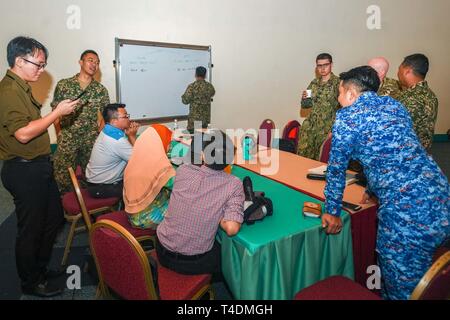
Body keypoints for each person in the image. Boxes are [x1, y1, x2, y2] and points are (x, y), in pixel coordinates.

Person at [321, 65, 449, 300]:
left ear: (350, 94)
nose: (338, 101)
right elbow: (394, 153)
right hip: (441, 194)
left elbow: (337, 170)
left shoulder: (347, 117)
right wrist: (372, 188)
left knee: (401, 290)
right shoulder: (394, 105)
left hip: (407, 215)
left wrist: (332, 211)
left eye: (340, 94)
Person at [0, 36, 79, 297]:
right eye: (39, 64)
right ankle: (30, 282)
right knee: (30, 229)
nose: (42, 70)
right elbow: (23, 134)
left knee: (54, 218)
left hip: (38, 167)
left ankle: (40, 269)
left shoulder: (21, 87)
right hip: (24, 170)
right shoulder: (9, 91)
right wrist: (57, 113)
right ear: (20, 61)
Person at [156, 130, 244, 275]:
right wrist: (219, 213)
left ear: (203, 154)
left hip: (161, 249)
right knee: (231, 259)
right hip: (193, 263)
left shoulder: (183, 170)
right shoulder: (233, 184)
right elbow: (231, 228)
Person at [51, 50, 110, 193]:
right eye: (90, 60)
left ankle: (88, 210)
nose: (94, 65)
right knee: (62, 177)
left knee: (90, 177)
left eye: (97, 63)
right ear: (81, 62)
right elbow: (55, 112)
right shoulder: (64, 85)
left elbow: (106, 116)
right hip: (67, 139)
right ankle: (64, 212)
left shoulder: (100, 90)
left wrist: (99, 135)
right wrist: (59, 134)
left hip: (90, 141)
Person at [123, 126, 176, 229]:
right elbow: (178, 187)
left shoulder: (134, 159)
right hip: (146, 218)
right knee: (183, 204)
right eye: (168, 142)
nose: (169, 147)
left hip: (131, 214)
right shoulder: (161, 166)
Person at [85, 104, 139, 198]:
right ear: (114, 121)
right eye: (125, 116)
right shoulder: (116, 140)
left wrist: (130, 136)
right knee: (144, 186)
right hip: (102, 188)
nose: (128, 119)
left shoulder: (107, 130)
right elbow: (138, 160)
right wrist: (132, 136)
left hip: (95, 183)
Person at [297, 53, 340, 160]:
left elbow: (344, 109)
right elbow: (305, 106)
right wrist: (304, 98)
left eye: (326, 65)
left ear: (331, 65)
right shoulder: (314, 83)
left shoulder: (338, 83)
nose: (322, 68)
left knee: (321, 160)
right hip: (310, 127)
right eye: (319, 66)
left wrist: (334, 129)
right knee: (303, 157)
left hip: (326, 128)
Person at [397, 53, 438, 151]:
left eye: (399, 69)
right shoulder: (430, 95)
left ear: (407, 71)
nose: (397, 73)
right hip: (423, 153)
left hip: (408, 155)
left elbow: (399, 130)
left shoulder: (409, 98)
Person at [182, 66, 215, 132]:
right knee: (203, 140)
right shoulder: (209, 87)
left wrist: (183, 96)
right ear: (205, 75)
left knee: (194, 141)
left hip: (194, 122)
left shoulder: (192, 86)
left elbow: (185, 101)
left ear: (196, 74)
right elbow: (212, 93)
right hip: (205, 121)